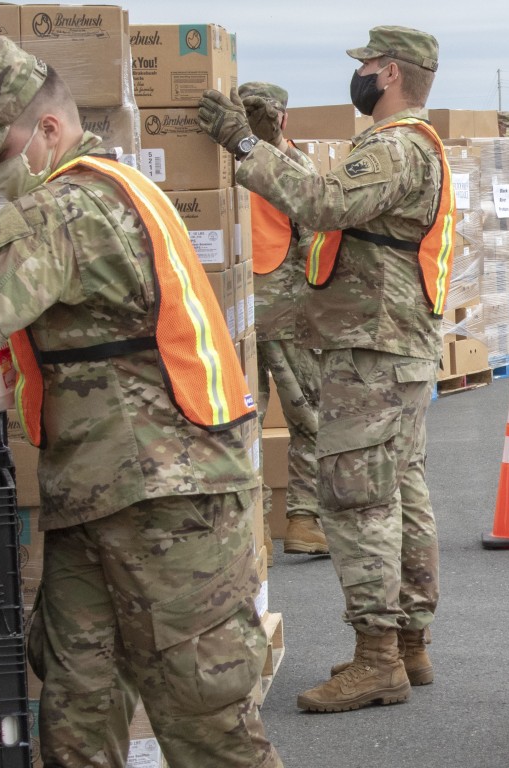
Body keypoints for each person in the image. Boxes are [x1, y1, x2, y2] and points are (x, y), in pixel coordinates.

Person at [0, 37, 280, 767]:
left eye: (1, 149)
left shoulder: (64, 210)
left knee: (205, 722)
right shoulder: (119, 187)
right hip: (102, 496)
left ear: (48, 129)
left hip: (168, 504)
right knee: (78, 700)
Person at [198, 24, 449, 713]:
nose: (360, 73)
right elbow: (332, 197)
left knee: (357, 498)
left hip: (374, 347)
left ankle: (379, 661)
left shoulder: (396, 146)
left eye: (367, 64)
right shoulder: (406, 146)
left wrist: (243, 146)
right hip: (391, 343)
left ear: (390, 72)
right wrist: (270, 147)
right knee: (399, 491)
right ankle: (409, 645)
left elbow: (322, 203)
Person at [238, 80, 330, 558]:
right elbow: (316, 238)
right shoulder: (294, 165)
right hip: (289, 309)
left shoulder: (227, 163)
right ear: (284, 120)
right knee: (309, 418)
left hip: (235, 310)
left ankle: (252, 531)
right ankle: (302, 520)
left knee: (242, 421)